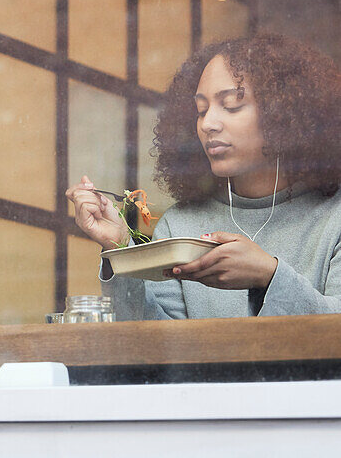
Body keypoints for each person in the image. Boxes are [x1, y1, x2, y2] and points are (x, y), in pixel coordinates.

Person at [66, 33, 341, 319]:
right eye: (200, 110)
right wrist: (120, 247)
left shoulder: (334, 217)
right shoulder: (181, 225)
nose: (208, 124)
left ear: (284, 113)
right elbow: (160, 348)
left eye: (232, 105)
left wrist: (269, 276)